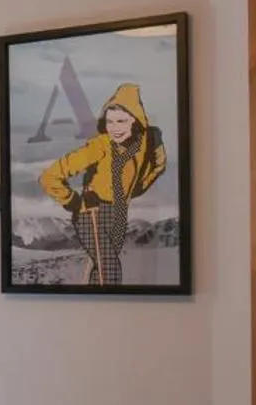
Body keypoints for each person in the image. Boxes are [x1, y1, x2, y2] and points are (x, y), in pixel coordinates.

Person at [39, 83, 167, 286]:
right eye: (110, 122)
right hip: (91, 212)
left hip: (119, 212)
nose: (114, 128)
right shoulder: (100, 146)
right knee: (109, 270)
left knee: (102, 273)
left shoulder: (142, 145)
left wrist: (155, 152)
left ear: (135, 121)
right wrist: (74, 201)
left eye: (121, 121)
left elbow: (157, 168)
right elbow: (49, 176)